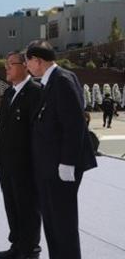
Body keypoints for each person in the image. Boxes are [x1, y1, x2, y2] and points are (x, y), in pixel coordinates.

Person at [25, 40, 97, 259]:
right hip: (49, 165)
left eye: (28, 60)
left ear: (37, 61)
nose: (27, 65)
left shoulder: (62, 80)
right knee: (52, 221)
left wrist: (68, 162)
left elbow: (74, 124)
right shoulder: (51, 81)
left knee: (63, 223)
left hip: (61, 166)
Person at [0, 51, 42, 259]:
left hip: (26, 164)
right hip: (6, 162)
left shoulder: (36, 92)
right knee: (11, 205)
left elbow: (37, 132)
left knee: (28, 207)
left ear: (25, 66)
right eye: (6, 64)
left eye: (10, 64)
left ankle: (30, 249)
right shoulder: (9, 93)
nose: (7, 68)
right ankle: (17, 245)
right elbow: (2, 129)